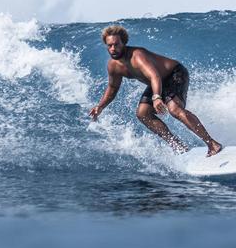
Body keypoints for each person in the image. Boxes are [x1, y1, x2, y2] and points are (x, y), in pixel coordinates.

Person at [89, 25, 222, 156]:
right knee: (143, 114)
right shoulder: (113, 66)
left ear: (124, 43)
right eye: (109, 45)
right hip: (157, 82)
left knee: (174, 110)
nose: (113, 49)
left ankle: (212, 144)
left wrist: (157, 97)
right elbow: (112, 88)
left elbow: (154, 76)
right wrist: (100, 107)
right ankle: (178, 146)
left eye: (116, 44)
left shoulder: (137, 56)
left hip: (174, 74)